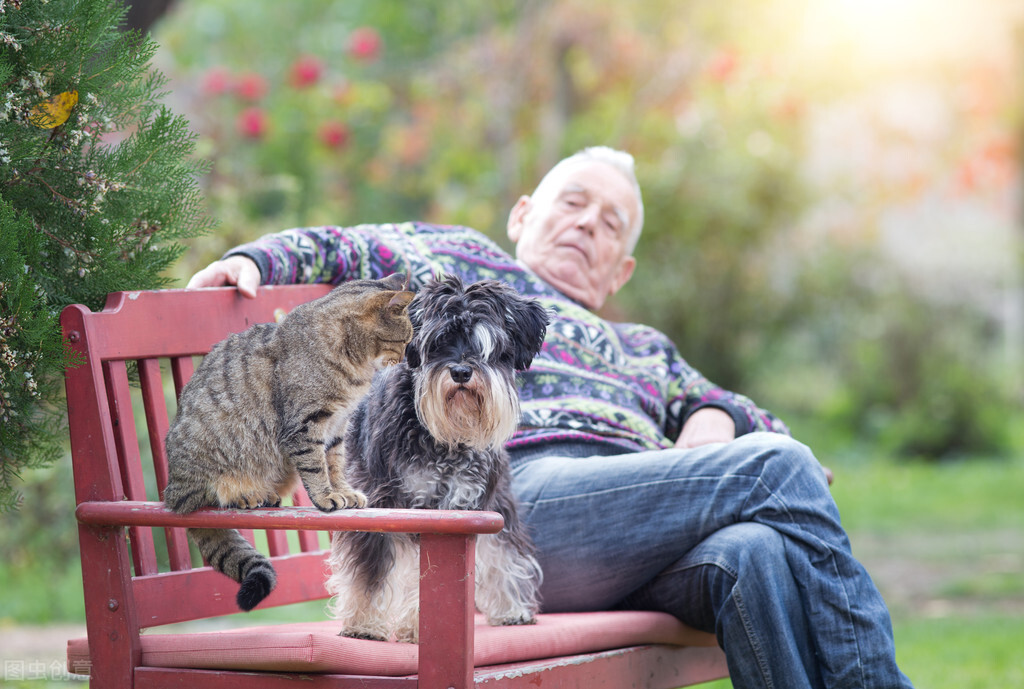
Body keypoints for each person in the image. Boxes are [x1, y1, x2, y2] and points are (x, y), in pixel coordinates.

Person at [188, 146, 914, 688]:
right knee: (776, 471)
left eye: (610, 224)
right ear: (524, 214)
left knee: (756, 550)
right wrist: (252, 258)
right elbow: (347, 245)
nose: (586, 225)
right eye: (573, 203)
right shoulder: (459, 261)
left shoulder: (644, 346)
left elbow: (757, 423)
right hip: (511, 502)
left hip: (636, 534)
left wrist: (713, 415)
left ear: (621, 269)